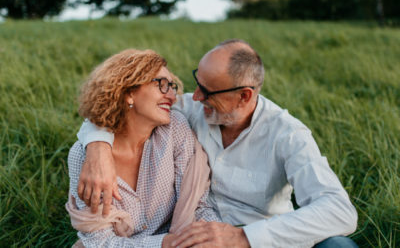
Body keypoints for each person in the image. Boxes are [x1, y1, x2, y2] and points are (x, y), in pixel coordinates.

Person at [76, 40, 358, 247]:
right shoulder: (188, 111)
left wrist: (243, 237)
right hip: (195, 234)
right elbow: (117, 109)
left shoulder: (288, 135)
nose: (194, 97)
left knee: (339, 247)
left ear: (244, 96)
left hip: (260, 240)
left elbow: (339, 211)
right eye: (197, 82)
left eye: (208, 91)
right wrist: (98, 146)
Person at [67, 49, 220, 247]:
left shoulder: (175, 129)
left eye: (172, 86)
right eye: (162, 85)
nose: (173, 96)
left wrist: (215, 236)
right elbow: (100, 241)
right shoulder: (84, 156)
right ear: (129, 92)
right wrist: (165, 244)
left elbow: (198, 206)